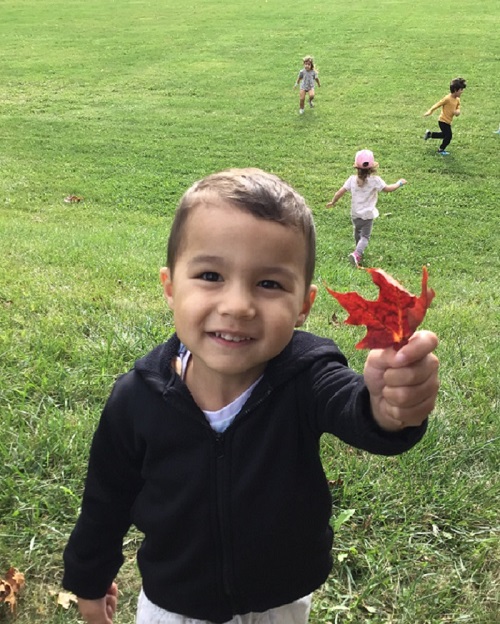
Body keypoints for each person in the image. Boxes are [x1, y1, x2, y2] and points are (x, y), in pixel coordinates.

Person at [63, 168, 439, 624]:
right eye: (209, 275)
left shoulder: (307, 373)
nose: (238, 305)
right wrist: (88, 581)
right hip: (178, 602)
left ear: (304, 306)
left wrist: (387, 406)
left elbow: (355, 409)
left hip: (281, 597)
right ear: (169, 288)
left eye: (269, 284)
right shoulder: (137, 398)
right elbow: (106, 500)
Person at [326, 150, 407, 267]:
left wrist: (333, 201)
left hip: (355, 214)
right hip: (367, 215)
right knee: (365, 237)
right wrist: (399, 183)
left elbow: (340, 192)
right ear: (372, 167)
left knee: (357, 231)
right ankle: (357, 254)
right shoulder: (375, 180)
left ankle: (357, 250)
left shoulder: (351, 179)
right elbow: (388, 188)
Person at [423, 77, 467, 155]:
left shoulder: (457, 99)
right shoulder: (447, 98)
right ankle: (441, 150)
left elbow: (458, 107)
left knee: (444, 135)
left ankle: (430, 134)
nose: (462, 92)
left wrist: (457, 112)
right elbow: (438, 104)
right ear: (455, 90)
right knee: (448, 136)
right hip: (443, 120)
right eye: (461, 90)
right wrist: (430, 111)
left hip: (448, 121)